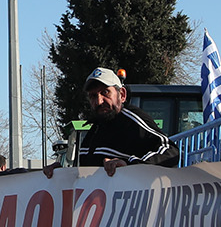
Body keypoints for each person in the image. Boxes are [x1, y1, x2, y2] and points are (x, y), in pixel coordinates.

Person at [44, 68, 177, 177]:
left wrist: (130, 166)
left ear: (122, 95)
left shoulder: (131, 121)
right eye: (93, 96)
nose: (99, 101)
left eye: (105, 92)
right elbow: (87, 177)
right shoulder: (93, 131)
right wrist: (60, 175)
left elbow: (170, 151)